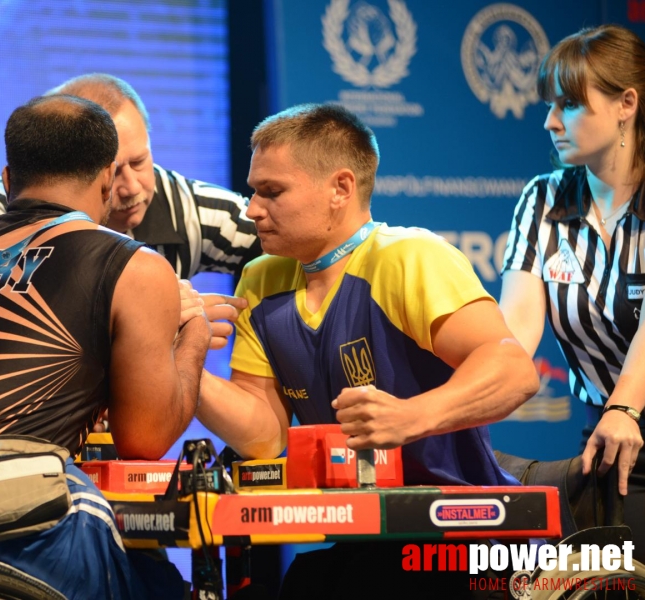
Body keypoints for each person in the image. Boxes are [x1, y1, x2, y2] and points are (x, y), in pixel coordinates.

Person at [195, 103, 539, 598]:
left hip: (464, 541)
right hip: (367, 541)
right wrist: (184, 365)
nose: (251, 209)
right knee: (304, 585)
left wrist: (410, 416)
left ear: (341, 188)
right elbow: (266, 437)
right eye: (253, 190)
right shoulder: (261, 279)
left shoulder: (409, 258)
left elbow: (513, 368)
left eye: (272, 192)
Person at [0, 94, 211, 600]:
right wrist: (192, 338)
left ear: (8, 178)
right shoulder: (134, 266)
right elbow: (144, 440)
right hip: (26, 532)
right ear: (106, 179)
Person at [0, 73, 260, 351]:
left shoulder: (191, 208)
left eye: (140, 162)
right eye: (112, 172)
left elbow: (291, 243)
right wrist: (160, 318)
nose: (131, 187)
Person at [500, 24, 645, 560]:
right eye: (550, 104)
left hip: (622, 423)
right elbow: (513, 331)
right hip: (606, 449)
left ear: (626, 103)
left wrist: (626, 407)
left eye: (569, 104)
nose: (550, 121)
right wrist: (447, 407)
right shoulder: (543, 198)